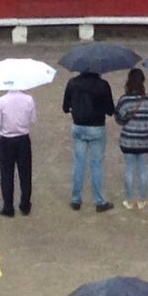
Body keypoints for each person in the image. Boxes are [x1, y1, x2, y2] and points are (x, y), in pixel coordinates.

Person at [62, 68, 115, 212]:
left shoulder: (72, 83)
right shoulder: (103, 85)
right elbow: (110, 110)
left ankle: (76, 199)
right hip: (97, 127)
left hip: (78, 126)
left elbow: (65, 108)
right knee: (96, 164)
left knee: (78, 163)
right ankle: (99, 201)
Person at [113, 67, 148, 209]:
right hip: (144, 139)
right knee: (143, 169)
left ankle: (129, 199)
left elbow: (118, 118)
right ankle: (142, 199)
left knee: (129, 169)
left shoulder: (124, 100)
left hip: (128, 139)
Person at [0, 86, 37, 217]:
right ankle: (25, 204)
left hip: (6, 140)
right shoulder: (28, 99)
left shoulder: (0, 101)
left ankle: (8, 206)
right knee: (25, 173)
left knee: (6, 174)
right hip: (23, 140)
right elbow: (33, 119)